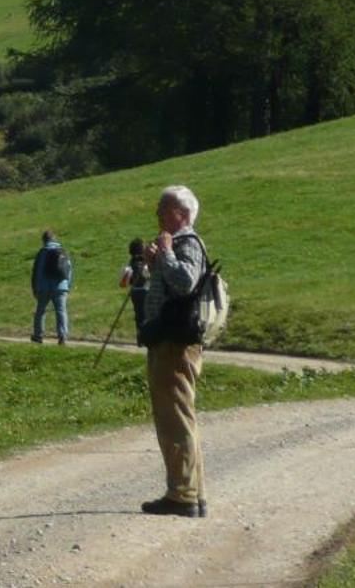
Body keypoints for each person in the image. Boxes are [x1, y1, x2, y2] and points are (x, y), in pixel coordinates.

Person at [137, 185, 209, 518]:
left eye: (163, 209)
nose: (157, 215)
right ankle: (193, 492)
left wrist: (164, 253)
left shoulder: (187, 243)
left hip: (175, 345)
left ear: (181, 213)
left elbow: (186, 282)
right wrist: (156, 263)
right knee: (182, 417)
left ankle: (182, 495)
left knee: (175, 418)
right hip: (169, 341)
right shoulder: (180, 245)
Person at [30, 229, 71, 345]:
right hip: (61, 287)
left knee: (41, 311)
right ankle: (62, 336)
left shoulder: (42, 252)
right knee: (61, 311)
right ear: (54, 239)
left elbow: (37, 272)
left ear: (44, 240)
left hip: (44, 287)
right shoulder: (63, 251)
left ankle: (38, 336)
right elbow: (69, 270)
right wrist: (67, 286)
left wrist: (35, 288)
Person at [120, 237, 149, 324]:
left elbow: (123, 284)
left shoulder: (128, 266)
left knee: (139, 316)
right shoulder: (146, 265)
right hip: (146, 291)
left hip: (135, 292)